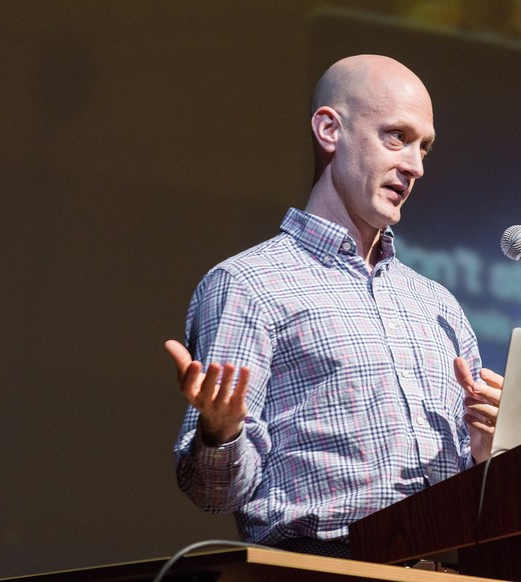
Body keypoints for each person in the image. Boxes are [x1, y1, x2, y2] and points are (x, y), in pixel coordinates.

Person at [166, 54, 503, 559]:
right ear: (329, 130)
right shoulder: (249, 285)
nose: (415, 166)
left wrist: (485, 451)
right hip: (322, 567)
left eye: (424, 147)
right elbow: (213, 494)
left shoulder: (437, 305)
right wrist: (221, 432)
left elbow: (480, 487)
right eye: (396, 137)